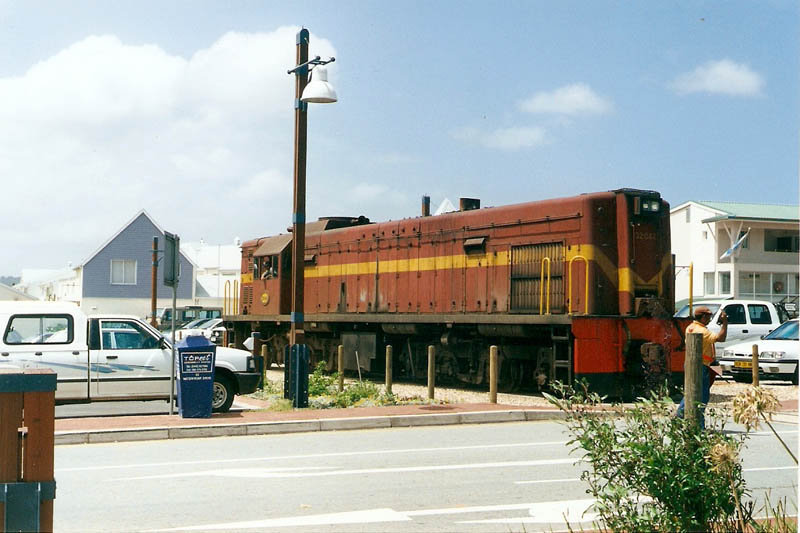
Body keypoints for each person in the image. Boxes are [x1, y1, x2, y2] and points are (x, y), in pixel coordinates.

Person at [676, 305, 728, 428]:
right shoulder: (702, 331)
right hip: (701, 366)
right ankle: (697, 424)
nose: (710, 319)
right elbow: (721, 338)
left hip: (692, 364)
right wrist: (725, 323)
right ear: (703, 317)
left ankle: (682, 417)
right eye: (709, 317)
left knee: (691, 392)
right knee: (702, 396)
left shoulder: (691, 327)